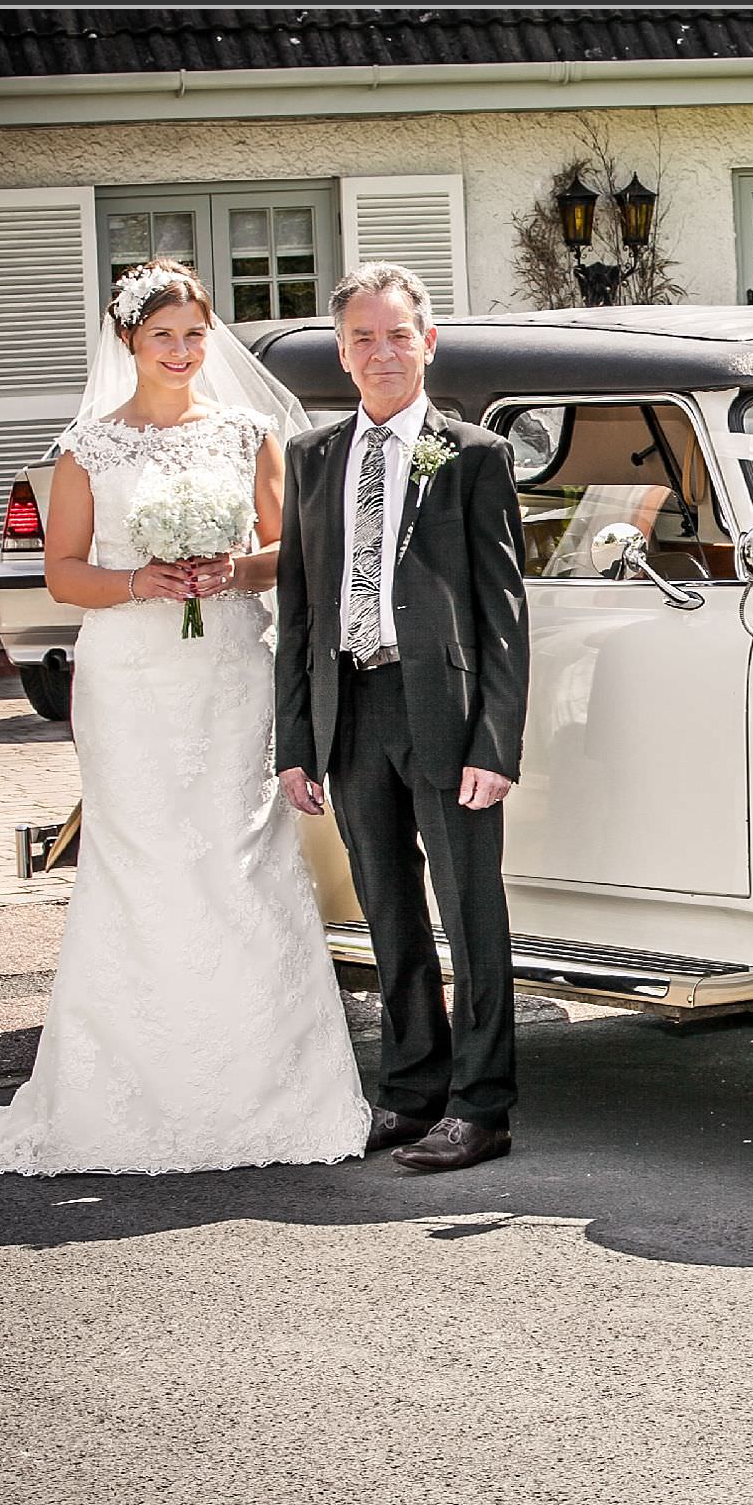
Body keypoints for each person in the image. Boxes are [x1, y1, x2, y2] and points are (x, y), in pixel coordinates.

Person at [0, 258, 371, 1176]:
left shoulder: (247, 435)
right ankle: (126, 1090)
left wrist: (233, 570)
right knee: (141, 860)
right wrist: (139, 581)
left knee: (242, 859)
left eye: (196, 334)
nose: (183, 351)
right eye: (163, 336)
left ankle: (273, 1091)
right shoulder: (88, 448)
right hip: (133, 677)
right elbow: (63, 573)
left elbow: (290, 546)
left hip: (232, 668)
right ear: (129, 342)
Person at [274, 262, 530, 1174]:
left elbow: (504, 614)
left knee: (470, 911)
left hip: (447, 716)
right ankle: (411, 1092)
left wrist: (495, 743)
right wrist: (295, 742)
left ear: (427, 343)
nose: (381, 352)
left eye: (397, 334)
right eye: (362, 338)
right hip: (351, 711)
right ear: (343, 355)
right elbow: (298, 613)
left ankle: (482, 1106)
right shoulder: (311, 460)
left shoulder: (473, 457)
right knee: (388, 911)